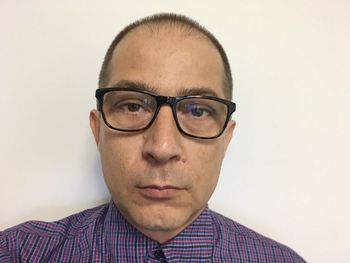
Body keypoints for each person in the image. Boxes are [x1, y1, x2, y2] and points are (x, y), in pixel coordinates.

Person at [0, 13, 305, 262]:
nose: (162, 148)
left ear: (226, 138)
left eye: (197, 111)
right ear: (98, 130)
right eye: (132, 106)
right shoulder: (15, 253)